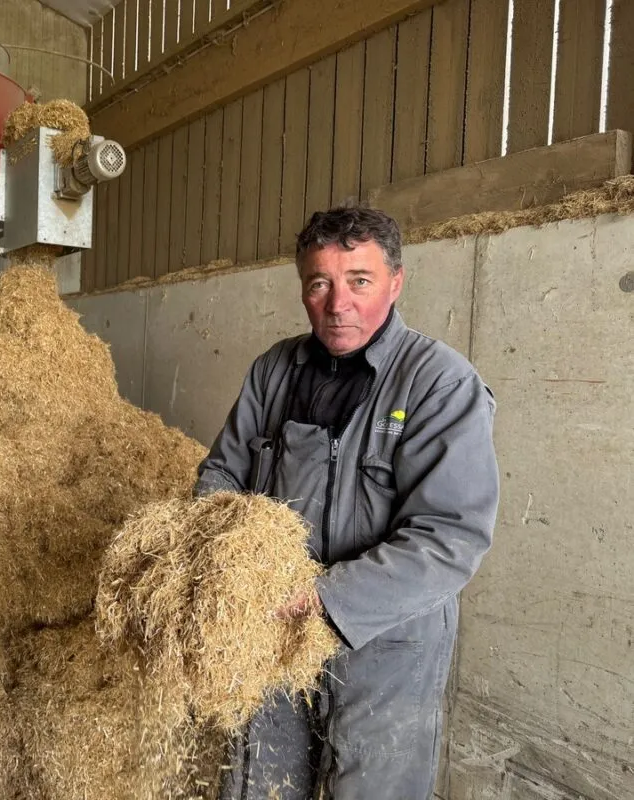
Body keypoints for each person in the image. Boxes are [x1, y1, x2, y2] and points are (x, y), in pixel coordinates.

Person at [195, 207, 499, 799]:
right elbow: (224, 472)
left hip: (384, 643)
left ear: (395, 281)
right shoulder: (274, 370)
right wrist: (222, 557)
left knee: (369, 787)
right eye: (320, 283)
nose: (338, 304)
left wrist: (325, 595)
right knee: (264, 781)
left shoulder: (438, 382)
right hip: (274, 626)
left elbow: (450, 536)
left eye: (360, 280)